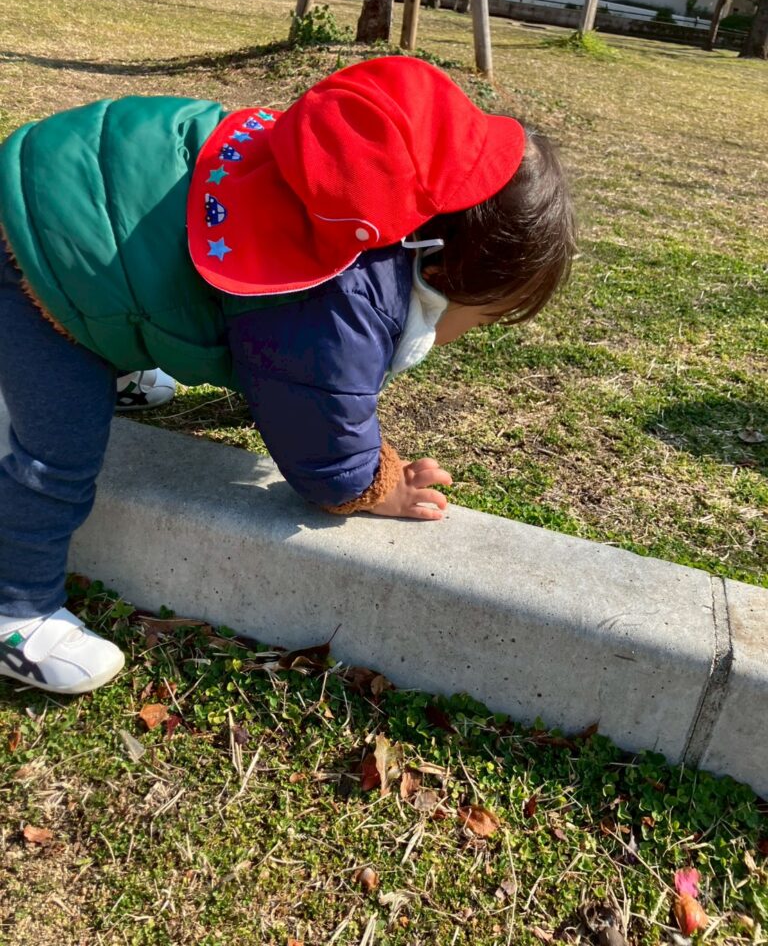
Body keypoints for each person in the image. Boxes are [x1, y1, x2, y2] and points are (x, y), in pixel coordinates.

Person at [0, 55, 575, 695]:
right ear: (443, 273)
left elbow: (265, 353)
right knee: (57, 453)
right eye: (484, 317)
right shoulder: (343, 290)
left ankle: (110, 361)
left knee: (141, 283)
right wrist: (373, 482)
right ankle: (16, 609)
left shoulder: (348, 193)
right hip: (38, 256)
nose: (469, 333)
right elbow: (314, 420)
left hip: (70, 177)